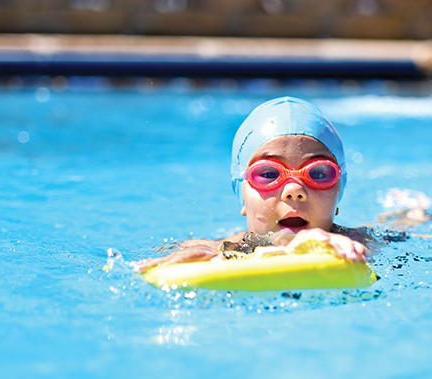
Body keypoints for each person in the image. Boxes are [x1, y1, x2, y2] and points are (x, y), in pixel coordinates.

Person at [135, 96, 371, 273]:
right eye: (269, 173)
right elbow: (198, 248)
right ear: (242, 196)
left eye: (318, 173)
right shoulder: (229, 249)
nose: (294, 191)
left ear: (339, 193)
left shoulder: (355, 243)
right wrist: (193, 256)